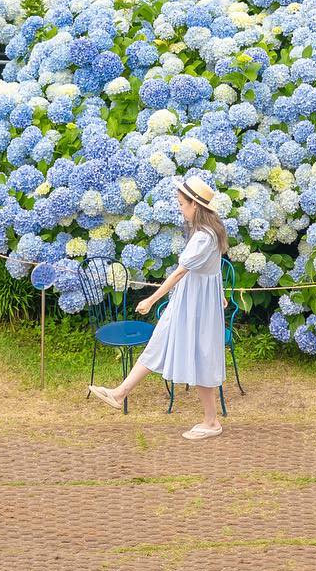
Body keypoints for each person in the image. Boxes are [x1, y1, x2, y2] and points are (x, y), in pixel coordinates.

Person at [89, 171, 228, 440]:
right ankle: (120, 393)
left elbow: (180, 272)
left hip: (196, 305)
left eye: (182, 204)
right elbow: (215, 267)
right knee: (160, 342)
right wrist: (219, 293)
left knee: (202, 356)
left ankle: (211, 422)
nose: (180, 209)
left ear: (195, 205)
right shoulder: (207, 231)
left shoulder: (203, 237)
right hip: (190, 301)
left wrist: (151, 299)